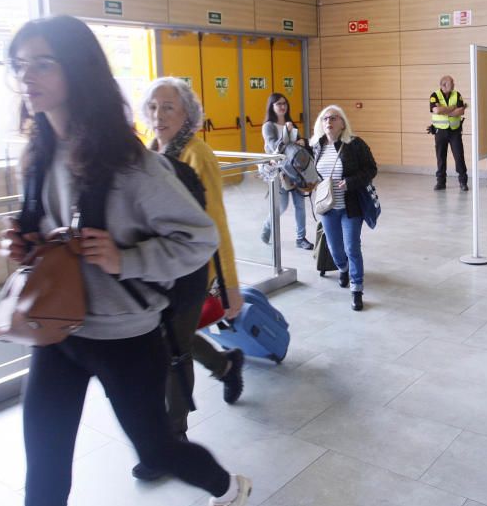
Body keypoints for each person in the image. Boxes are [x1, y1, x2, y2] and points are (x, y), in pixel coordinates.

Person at [0, 16, 251, 506]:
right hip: (58, 332)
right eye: (19, 65)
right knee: (45, 465)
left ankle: (227, 488)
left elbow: (200, 238)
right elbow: (53, 238)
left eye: (43, 64)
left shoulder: (132, 165)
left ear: (78, 69)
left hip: (124, 337)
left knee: (157, 447)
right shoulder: (36, 155)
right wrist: (24, 246)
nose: (27, 77)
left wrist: (125, 257)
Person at [135, 76, 247, 481]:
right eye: (152, 106)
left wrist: (229, 284)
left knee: (170, 354)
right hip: (154, 271)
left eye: (168, 107)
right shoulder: (147, 153)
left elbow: (216, 222)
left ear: (187, 114)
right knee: (169, 343)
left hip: (191, 273)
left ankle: (172, 442)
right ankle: (226, 364)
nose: (158, 115)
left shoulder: (198, 155)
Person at [311, 105, 378, 311]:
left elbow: (371, 169)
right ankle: (343, 268)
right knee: (336, 250)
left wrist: (350, 182)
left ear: (342, 123)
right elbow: (311, 172)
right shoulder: (316, 145)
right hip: (327, 207)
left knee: (352, 248)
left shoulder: (355, 144)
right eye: (325, 119)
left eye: (333, 118)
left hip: (351, 206)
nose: (328, 122)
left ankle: (357, 289)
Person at [260, 93, 313, 249]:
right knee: (281, 206)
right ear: (272, 106)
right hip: (279, 172)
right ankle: (267, 227)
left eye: (284, 103)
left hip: (296, 171)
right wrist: (285, 132)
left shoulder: (291, 124)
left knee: (300, 205)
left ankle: (301, 238)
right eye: (278, 104)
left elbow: (298, 148)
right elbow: (273, 148)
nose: (282, 106)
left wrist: (303, 142)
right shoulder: (268, 126)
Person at [429, 75, 469, 191]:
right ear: (444, 85)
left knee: (459, 156)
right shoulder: (434, 95)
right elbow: (436, 110)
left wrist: (444, 110)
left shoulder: (457, 94)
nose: (454, 84)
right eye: (452, 82)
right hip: (440, 132)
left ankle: (463, 182)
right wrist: (453, 107)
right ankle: (441, 182)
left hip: (454, 132)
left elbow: (461, 111)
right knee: (441, 157)